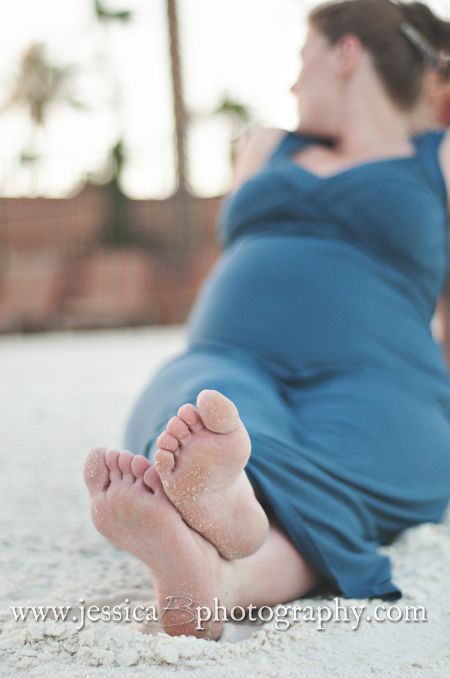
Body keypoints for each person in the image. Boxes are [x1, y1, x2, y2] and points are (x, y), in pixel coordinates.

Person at [83, 0, 450, 640]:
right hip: (231, 354)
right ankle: (230, 514)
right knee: (200, 416)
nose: (291, 82)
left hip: (380, 377)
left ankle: (222, 564)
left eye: (300, 59)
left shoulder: (439, 157)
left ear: (345, 54)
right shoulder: (265, 145)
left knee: (354, 459)